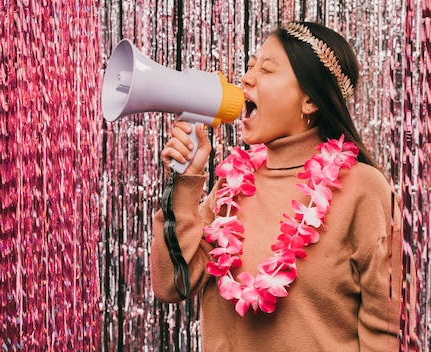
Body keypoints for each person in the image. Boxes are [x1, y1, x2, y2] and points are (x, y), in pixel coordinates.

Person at [150, 21, 405, 351]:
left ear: (310, 101)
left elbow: (385, 332)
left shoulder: (364, 190)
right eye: (251, 65)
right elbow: (171, 285)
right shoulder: (232, 185)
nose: (246, 78)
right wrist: (184, 181)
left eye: (267, 70)